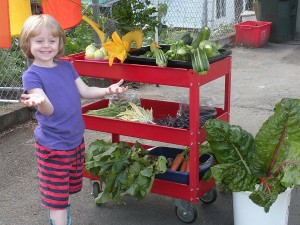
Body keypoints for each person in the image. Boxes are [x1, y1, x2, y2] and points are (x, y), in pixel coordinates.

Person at [19, 14, 128, 225]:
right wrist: (40, 101)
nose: (46, 46)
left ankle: (62, 216)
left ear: (60, 42)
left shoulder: (67, 67)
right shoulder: (32, 76)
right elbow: (49, 111)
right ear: (27, 43)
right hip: (53, 147)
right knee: (56, 200)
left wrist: (108, 90)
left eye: (52, 40)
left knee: (65, 193)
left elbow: (85, 91)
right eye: (39, 41)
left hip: (75, 141)